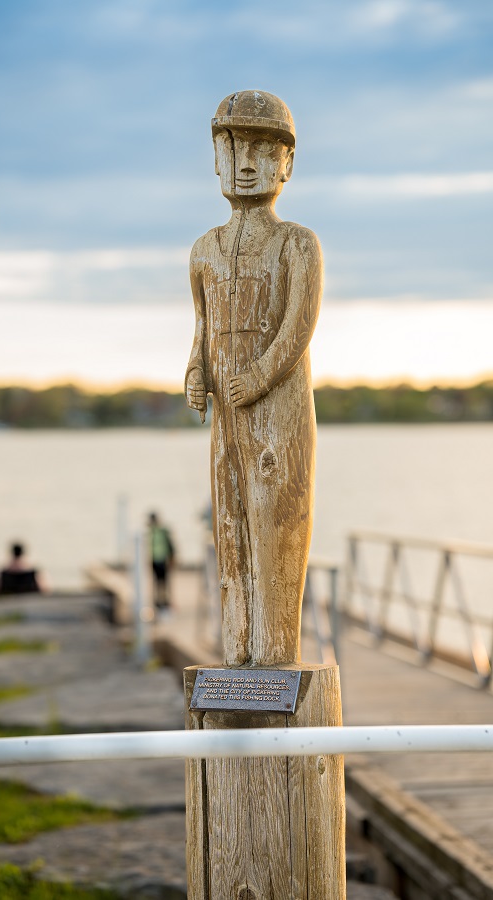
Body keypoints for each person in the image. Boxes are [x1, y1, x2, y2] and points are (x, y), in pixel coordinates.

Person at [185, 91, 323, 666]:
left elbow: (299, 324)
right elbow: (202, 322)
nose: (246, 162)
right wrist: (197, 370)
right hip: (228, 419)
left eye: (264, 150)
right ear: (216, 156)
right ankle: (237, 650)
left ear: (286, 164)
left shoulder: (296, 242)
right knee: (231, 523)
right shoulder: (204, 250)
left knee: (276, 522)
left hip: (278, 413)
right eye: (234, 146)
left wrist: (262, 376)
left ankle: (274, 655)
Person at [148, 512, 175, 611]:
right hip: (154, 560)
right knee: (157, 582)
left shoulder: (162, 531)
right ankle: (158, 602)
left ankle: (164, 601)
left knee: (164, 582)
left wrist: (172, 558)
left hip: (162, 560)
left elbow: (170, 545)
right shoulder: (151, 532)